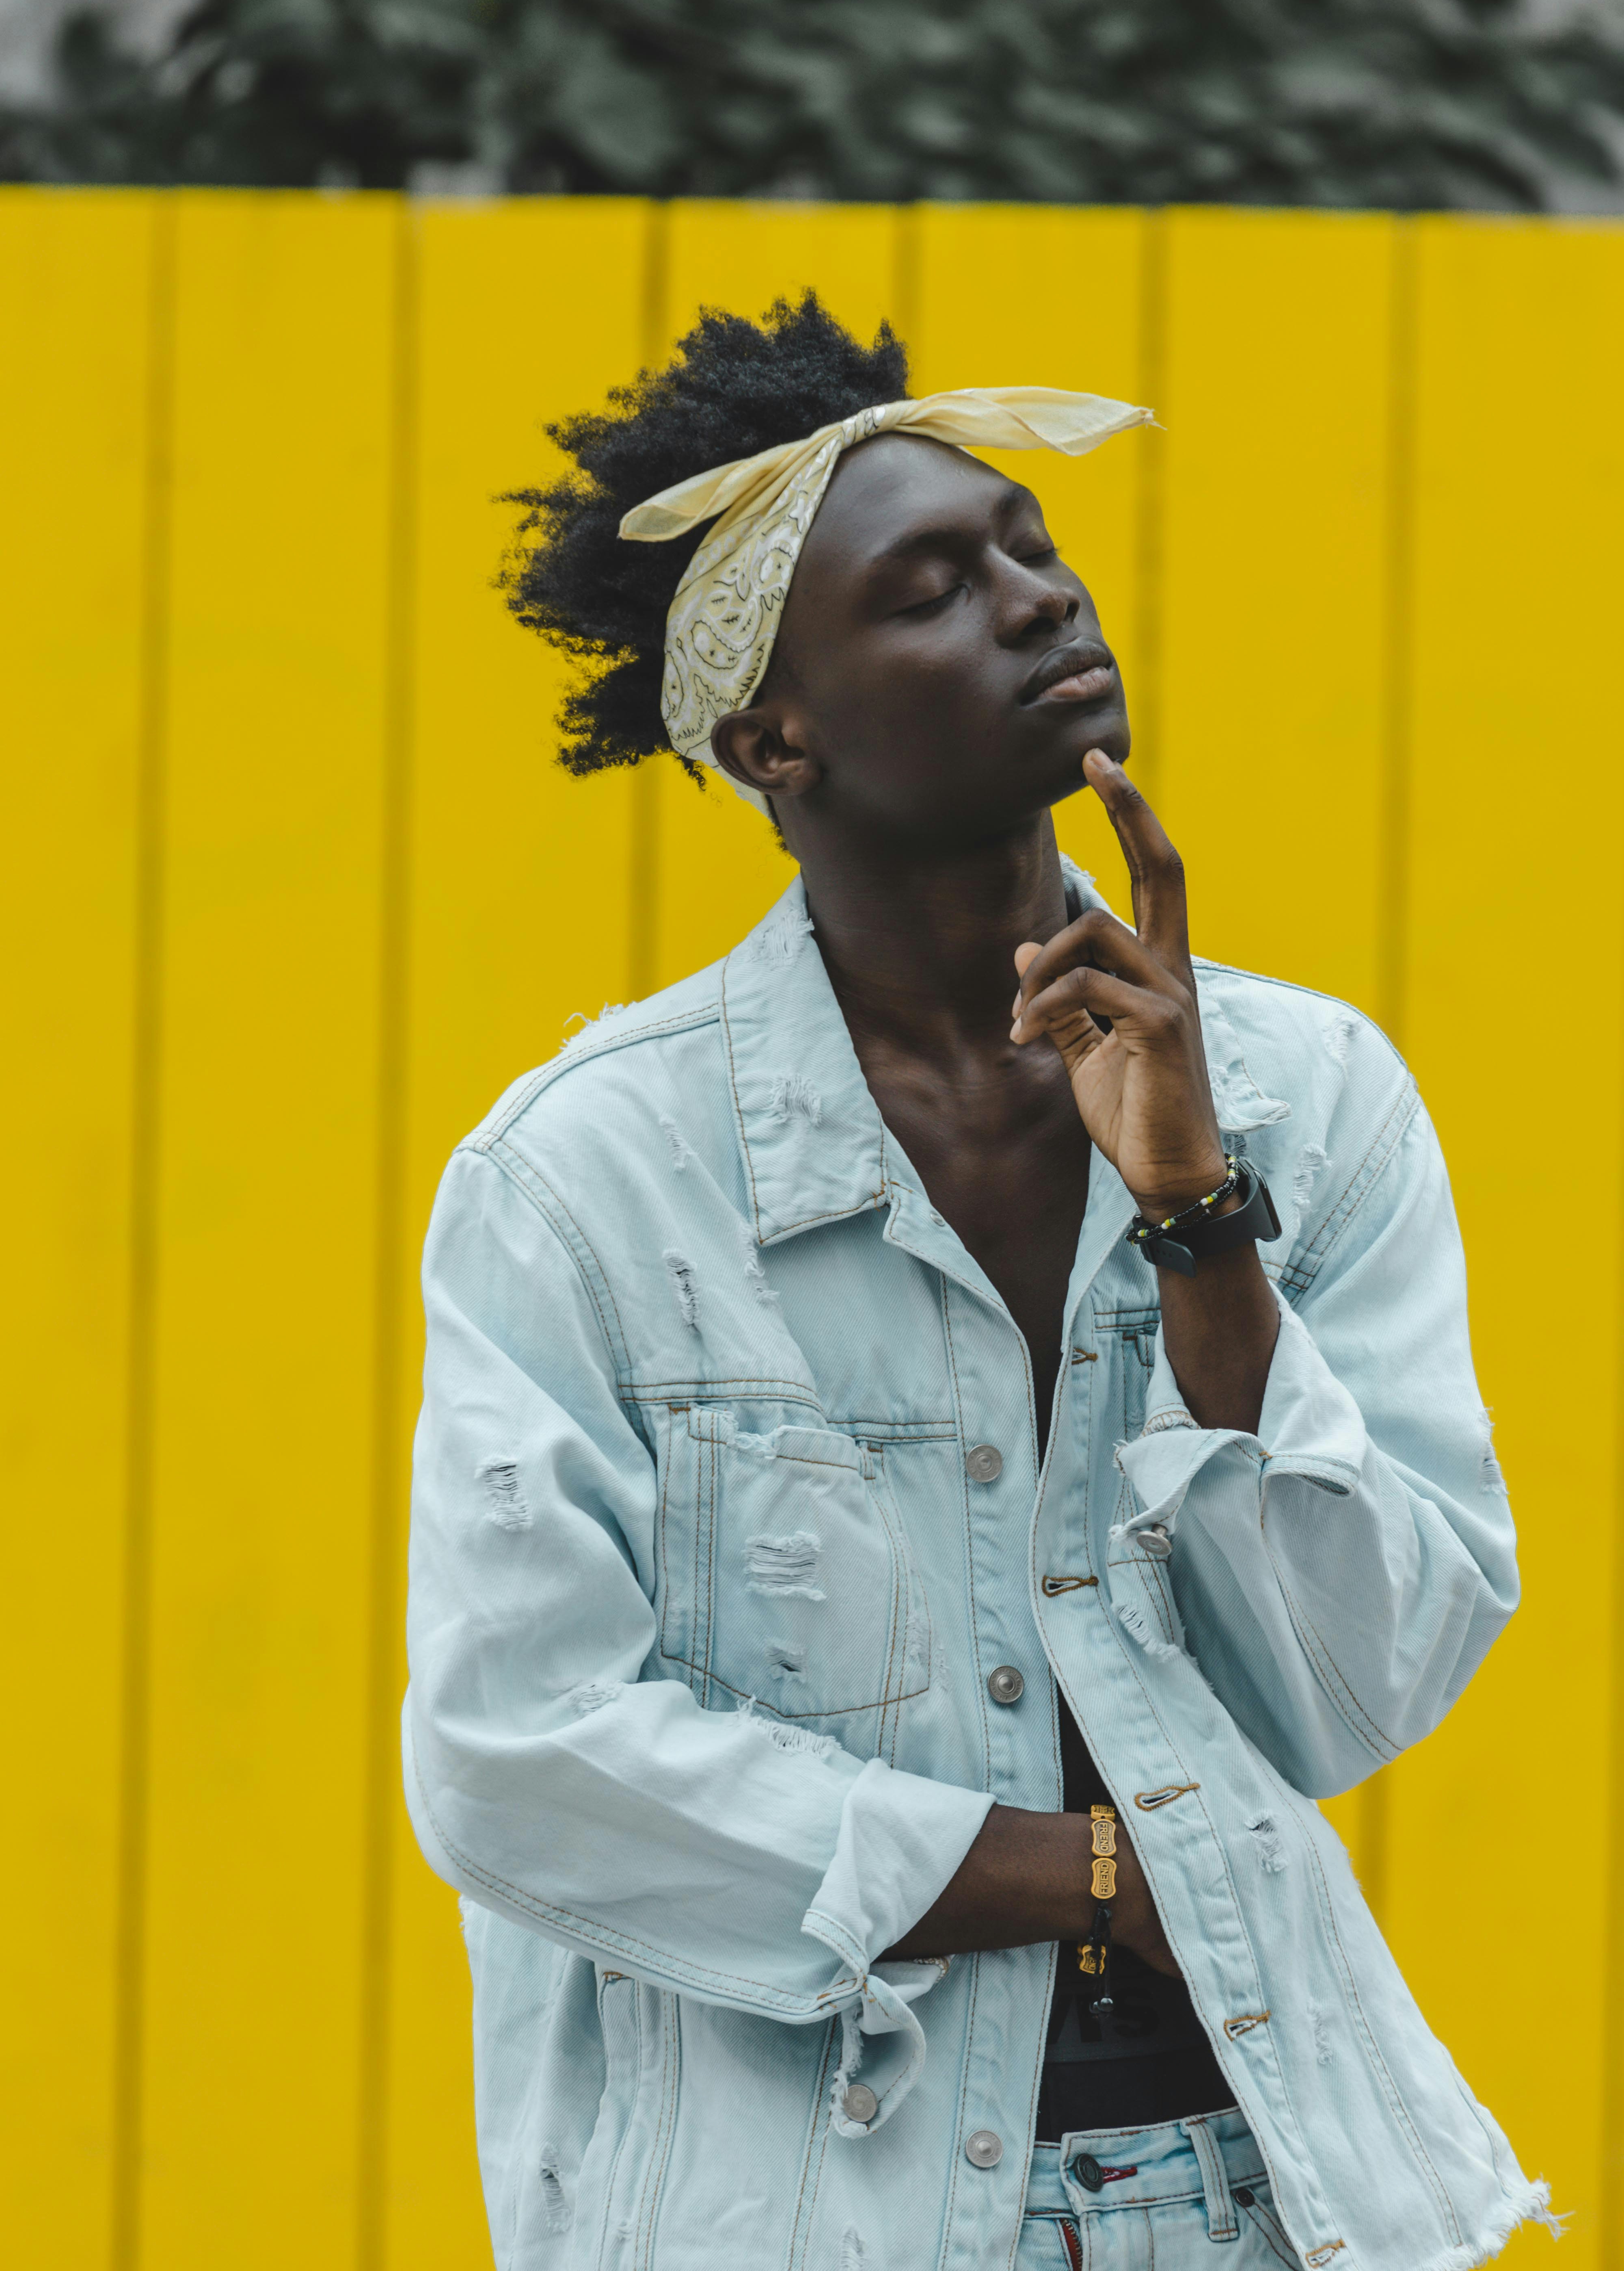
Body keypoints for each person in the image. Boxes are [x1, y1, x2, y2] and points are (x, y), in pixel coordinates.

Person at [404, 294, 1547, 2271]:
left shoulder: (1304, 1093)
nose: (1034, 600)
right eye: (933, 589)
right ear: (773, 734)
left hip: (1268, 2192)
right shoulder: (590, 1180)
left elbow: (1367, 1678)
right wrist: (1079, 1873)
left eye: (1028, 544)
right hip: (805, 2208)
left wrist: (1200, 1226)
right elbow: (520, 1756)